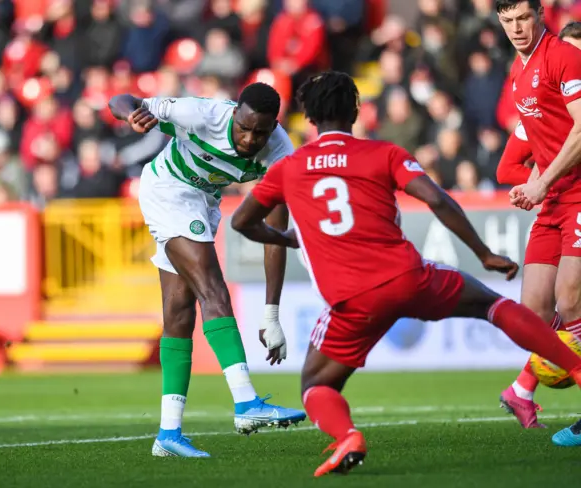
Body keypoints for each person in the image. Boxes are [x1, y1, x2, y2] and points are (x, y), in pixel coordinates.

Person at [230, 71, 581, 476]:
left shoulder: (288, 167)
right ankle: (574, 367)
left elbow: (241, 222)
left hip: (351, 299)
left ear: (308, 117)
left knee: (315, 386)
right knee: (494, 306)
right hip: (407, 277)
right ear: (357, 112)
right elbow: (437, 199)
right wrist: (483, 253)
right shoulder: (385, 153)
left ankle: (347, 436)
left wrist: (288, 238)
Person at [108, 83, 306, 458]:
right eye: (243, 127)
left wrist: (272, 314)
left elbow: (275, 235)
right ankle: (247, 404)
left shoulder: (281, 155)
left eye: (260, 132)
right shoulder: (201, 114)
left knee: (179, 312)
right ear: (234, 114)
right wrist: (130, 114)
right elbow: (122, 100)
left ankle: (168, 434)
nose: (249, 139)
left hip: (203, 203)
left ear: (274, 126)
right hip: (167, 191)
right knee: (213, 291)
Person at [495, 0, 581, 443]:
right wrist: (534, 184)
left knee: (571, 301)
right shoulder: (518, 71)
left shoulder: (564, 56)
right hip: (551, 200)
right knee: (535, 314)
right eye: (507, 21)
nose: (516, 28)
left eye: (523, 18)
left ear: (540, 15)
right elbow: (536, 145)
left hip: (577, 193)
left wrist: (541, 182)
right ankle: (523, 386)